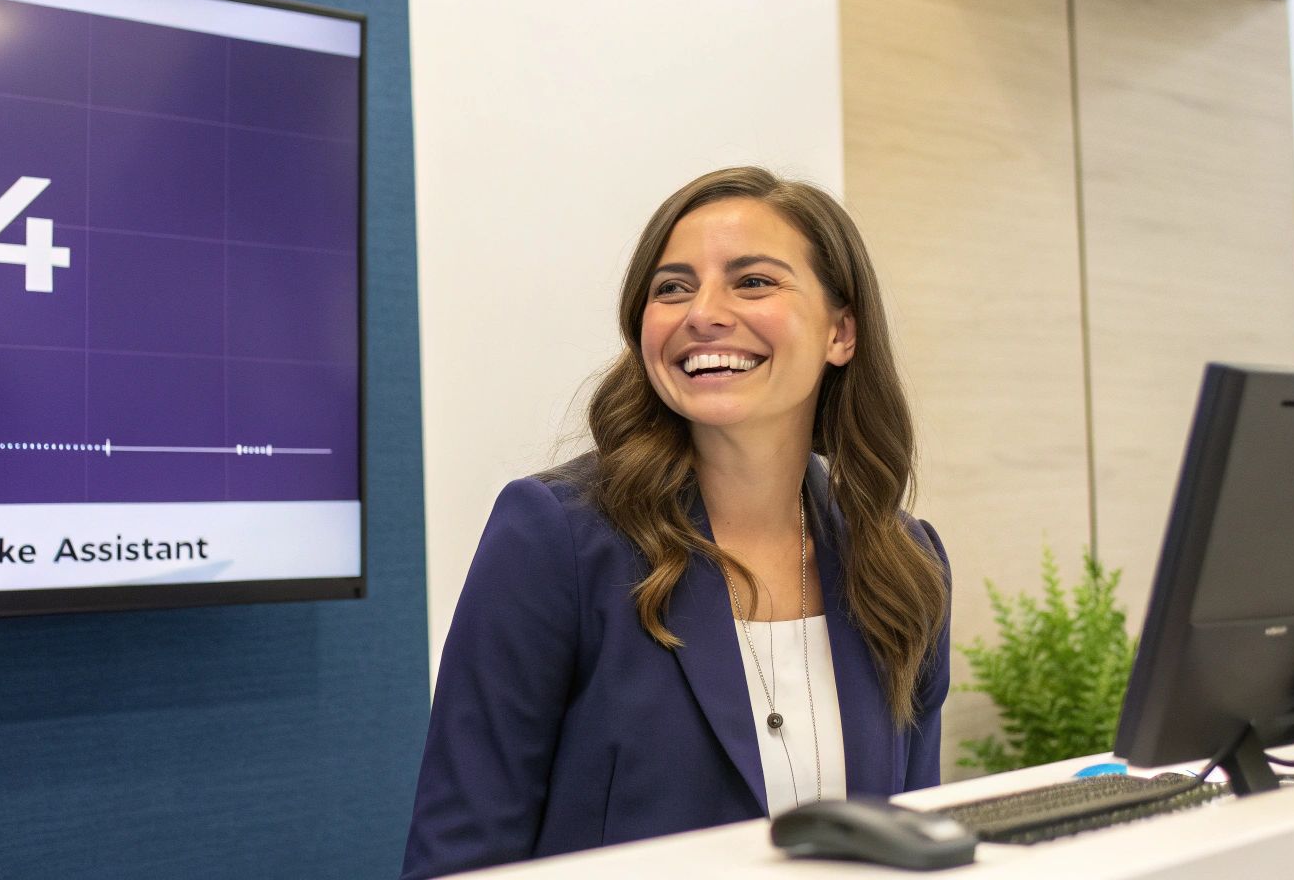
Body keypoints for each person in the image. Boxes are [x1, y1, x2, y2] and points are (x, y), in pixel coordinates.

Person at [402, 167, 951, 879]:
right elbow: (460, 852)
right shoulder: (555, 539)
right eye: (672, 287)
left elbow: (917, 843)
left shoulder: (904, 562)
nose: (704, 313)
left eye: (753, 282)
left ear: (840, 331)